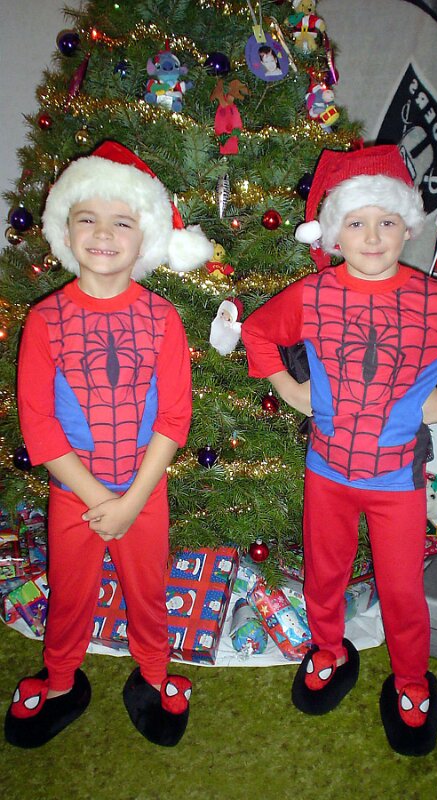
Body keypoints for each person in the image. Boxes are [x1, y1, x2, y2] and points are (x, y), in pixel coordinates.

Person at [241, 144, 437, 756]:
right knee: (324, 573)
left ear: (408, 227)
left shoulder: (433, 299)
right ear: (333, 233)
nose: (372, 237)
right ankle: (328, 648)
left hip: (397, 479)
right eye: (356, 222)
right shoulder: (313, 294)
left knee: (400, 588)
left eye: (387, 221)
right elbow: (259, 331)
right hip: (327, 469)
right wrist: (290, 389)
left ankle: (412, 680)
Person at [4, 141, 213, 749]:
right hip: (75, 494)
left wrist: (132, 501)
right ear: (64, 229)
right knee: (70, 593)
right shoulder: (44, 321)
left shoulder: (163, 318)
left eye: (122, 222)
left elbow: (174, 416)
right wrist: (100, 500)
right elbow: (39, 424)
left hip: (144, 492)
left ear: (145, 236)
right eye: (87, 218)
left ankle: (154, 672)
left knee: (148, 591)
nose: (102, 234)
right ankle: (61, 679)